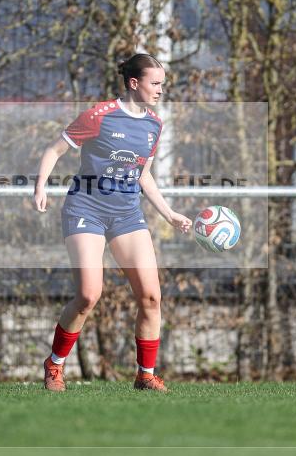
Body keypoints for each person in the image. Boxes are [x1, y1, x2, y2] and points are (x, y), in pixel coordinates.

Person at [33, 53, 192, 392]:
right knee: (89, 295)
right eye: (156, 83)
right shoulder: (98, 116)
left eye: (162, 83)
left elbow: (143, 176)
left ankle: (145, 375)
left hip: (126, 214)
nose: (161, 90)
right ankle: (55, 364)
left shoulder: (154, 125)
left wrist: (170, 213)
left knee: (151, 297)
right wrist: (40, 186)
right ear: (134, 83)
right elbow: (54, 150)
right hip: (85, 208)